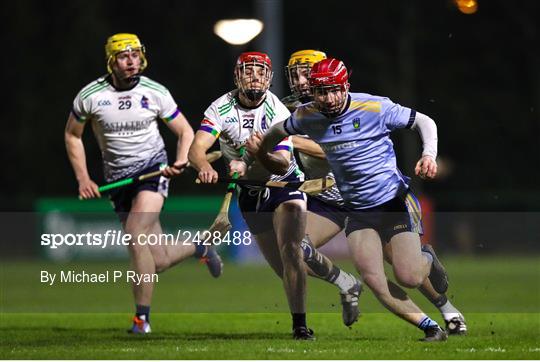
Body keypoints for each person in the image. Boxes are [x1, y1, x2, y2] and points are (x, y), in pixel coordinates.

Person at [257, 57, 452, 341]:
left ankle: (426, 258)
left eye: (335, 89)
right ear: (314, 92)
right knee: (374, 279)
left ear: (346, 85)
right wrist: (262, 154)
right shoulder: (307, 115)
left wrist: (428, 155)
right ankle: (431, 328)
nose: (330, 98)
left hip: (391, 203)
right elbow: (275, 132)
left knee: (408, 276)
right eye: (322, 92)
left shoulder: (374, 107)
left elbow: (424, 121)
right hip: (357, 212)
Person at [64, 33, 223, 334]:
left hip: (152, 172)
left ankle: (142, 319)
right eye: (124, 56)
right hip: (118, 179)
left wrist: (179, 160)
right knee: (158, 258)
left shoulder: (155, 92)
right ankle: (199, 247)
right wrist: (83, 177)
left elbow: (185, 132)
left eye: (135, 55)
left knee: (135, 233)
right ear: (111, 61)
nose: (131, 61)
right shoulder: (91, 95)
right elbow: (72, 135)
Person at [189, 51, 325, 340]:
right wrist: (203, 167)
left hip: (284, 185)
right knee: (283, 268)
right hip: (250, 195)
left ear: (269, 79)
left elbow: (283, 162)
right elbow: (197, 148)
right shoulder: (220, 108)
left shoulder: (278, 112)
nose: (255, 77)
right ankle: (341, 280)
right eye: (248, 71)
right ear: (237, 76)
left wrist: (258, 154)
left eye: (261, 72)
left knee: (291, 251)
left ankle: (300, 325)